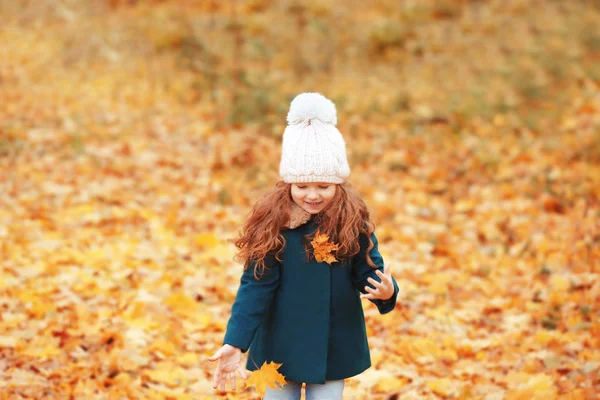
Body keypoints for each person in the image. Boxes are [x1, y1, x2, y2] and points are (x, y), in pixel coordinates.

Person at [207, 92, 400, 400]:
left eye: (323, 186)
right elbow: (255, 288)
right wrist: (235, 343)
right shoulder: (274, 226)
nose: (312, 194)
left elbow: (369, 271)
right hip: (280, 344)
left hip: (333, 345)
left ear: (338, 184)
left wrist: (387, 293)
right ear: (288, 184)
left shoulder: (353, 223)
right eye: (302, 186)